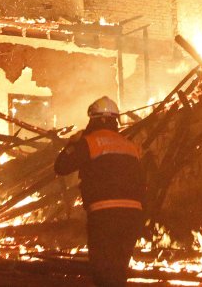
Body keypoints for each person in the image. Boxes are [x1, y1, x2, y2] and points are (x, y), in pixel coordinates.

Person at [54, 96, 145, 287]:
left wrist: (72, 143)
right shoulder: (130, 145)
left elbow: (61, 167)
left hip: (105, 215)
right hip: (133, 216)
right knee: (119, 271)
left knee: (103, 271)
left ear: (97, 120)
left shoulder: (90, 142)